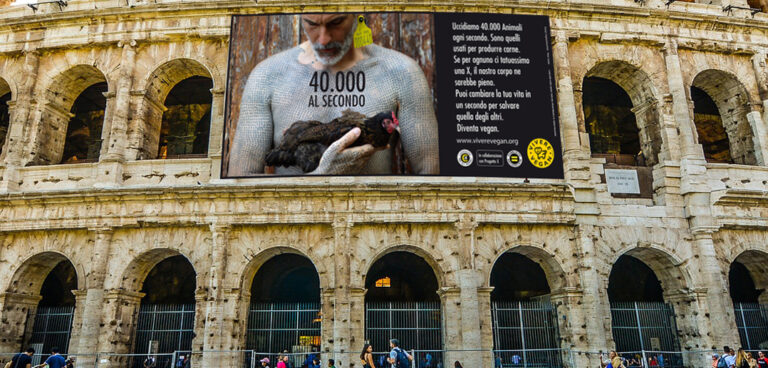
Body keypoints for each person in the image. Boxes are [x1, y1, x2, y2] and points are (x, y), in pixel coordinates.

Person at [230, 13, 439, 176]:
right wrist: (322, 176)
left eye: (336, 22)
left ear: (357, 13)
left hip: (371, 224)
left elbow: (433, 175)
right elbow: (239, 183)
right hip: (292, 226)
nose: (323, 40)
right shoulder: (268, 75)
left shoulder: (401, 72)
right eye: (311, 24)